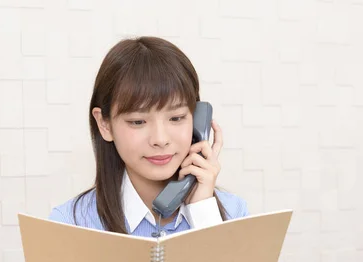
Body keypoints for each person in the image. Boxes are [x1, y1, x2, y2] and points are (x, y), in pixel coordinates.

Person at [49, 36, 248, 237]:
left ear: (196, 119)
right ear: (105, 124)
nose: (160, 139)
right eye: (138, 122)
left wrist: (204, 214)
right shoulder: (70, 224)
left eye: (177, 118)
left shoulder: (234, 213)